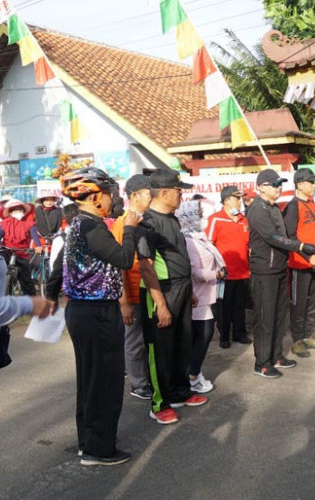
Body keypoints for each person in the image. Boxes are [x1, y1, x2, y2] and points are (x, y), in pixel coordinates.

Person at [45, 167, 141, 466]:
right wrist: (129, 229)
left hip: (82, 312)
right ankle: (99, 450)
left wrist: (50, 297)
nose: (113, 199)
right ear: (96, 195)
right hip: (97, 312)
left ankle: (89, 443)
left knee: (90, 380)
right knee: (105, 382)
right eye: (110, 194)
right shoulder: (93, 227)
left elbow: (58, 268)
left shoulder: (77, 225)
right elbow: (124, 259)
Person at [137, 169, 208, 425]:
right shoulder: (147, 222)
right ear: (164, 192)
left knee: (182, 343)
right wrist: (160, 304)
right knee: (160, 350)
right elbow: (146, 267)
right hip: (161, 291)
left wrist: (189, 292)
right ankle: (159, 403)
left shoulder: (173, 219)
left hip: (182, 288)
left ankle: (180, 392)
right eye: (179, 191)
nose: (182, 195)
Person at [246, 168, 315, 378]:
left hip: (278, 269)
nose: (279, 188)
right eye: (275, 185)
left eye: (280, 184)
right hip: (264, 271)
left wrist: (300, 248)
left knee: (279, 317)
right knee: (265, 318)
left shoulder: (275, 208)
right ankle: (262, 363)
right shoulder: (257, 209)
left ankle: (276, 355)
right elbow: (272, 237)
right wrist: (301, 246)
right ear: (261, 187)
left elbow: (284, 235)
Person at [110, 175, 152, 400]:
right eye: (148, 192)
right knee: (134, 341)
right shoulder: (122, 224)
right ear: (135, 196)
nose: (152, 196)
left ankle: (145, 378)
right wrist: (124, 301)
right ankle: (138, 383)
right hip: (133, 292)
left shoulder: (145, 220)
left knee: (146, 340)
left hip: (148, 292)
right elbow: (117, 266)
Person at [178, 200, 226, 393]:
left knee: (203, 336)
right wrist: (216, 275)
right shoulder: (189, 241)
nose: (203, 218)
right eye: (198, 214)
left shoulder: (200, 237)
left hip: (208, 295)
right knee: (202, 337)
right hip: (198, 297)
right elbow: (193, 272)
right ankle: (192, 376)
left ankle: (193, 374)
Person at [283, 168, 315, 359]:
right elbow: (290, 237)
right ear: (300, 185)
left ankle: (309, 335)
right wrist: (308, 257)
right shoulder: (293, 207)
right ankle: (297, 340)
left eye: (314, 182)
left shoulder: (312, 204)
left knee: (312, 302)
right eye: (311, 182)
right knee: (299, 304)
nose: (314, 185)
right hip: (299, 264)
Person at [206, 185, 251, 349]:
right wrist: (214, 269)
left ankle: (240, 334)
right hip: (224, 274)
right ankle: (224, 336)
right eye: (236, 198)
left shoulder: (244, 220)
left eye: (240, 198)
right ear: (226, 201)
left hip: (243, 272)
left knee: (240, 306)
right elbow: (208, 245)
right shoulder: (215, 219)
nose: (240, 202)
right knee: (224, 307)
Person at [0, 199, 42, 295]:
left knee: (26, 281)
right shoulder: (5, 223)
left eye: (20, 210)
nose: (18, 213)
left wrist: (38, 246)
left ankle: (32, 304)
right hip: (7, 251)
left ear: (23, 212)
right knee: (0, 269)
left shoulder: (29, 223)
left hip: (23, 253)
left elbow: (35, 236)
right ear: (11, 212)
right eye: (15, 210)